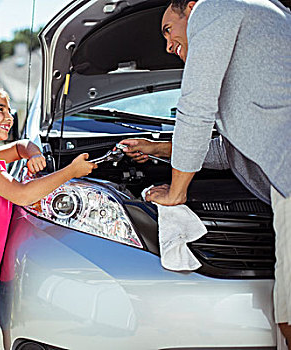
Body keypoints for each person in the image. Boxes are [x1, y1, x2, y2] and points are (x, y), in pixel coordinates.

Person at [120, 0, 291, 346]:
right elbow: (231, 149)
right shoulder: (267, 16)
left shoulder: (213, 8)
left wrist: (176, 192)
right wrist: (155, 148)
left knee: (289, 318)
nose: (167, 46)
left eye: (168, 29)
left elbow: (195, 107)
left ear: (191, 7)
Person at [0, 81, 96, 350]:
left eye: (9, 110)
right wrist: (71, 171)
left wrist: (33, 153)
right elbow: (23, 195)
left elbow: (22, 145)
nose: (9, 116)